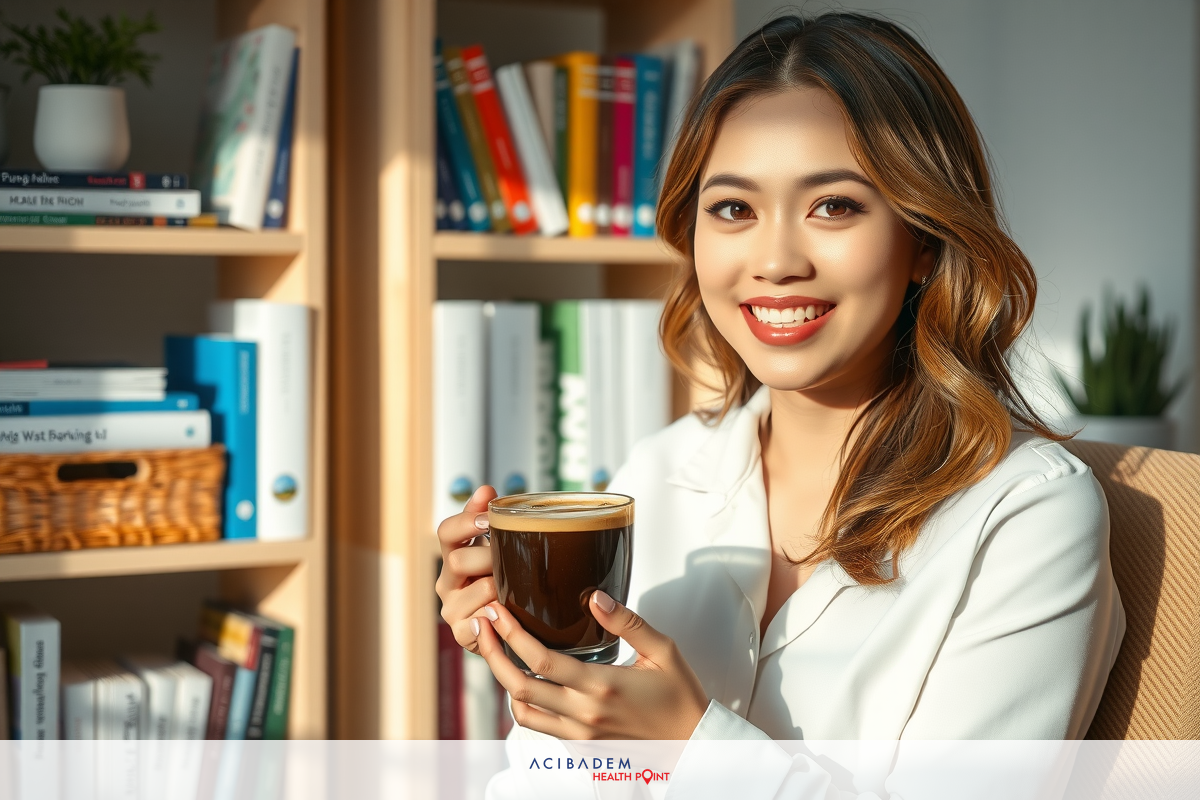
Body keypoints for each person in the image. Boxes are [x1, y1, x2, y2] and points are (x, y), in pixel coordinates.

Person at [435, 11, 1125, 797]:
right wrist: (539, 661)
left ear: (925, 242)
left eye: (834, 206)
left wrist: (692, 747)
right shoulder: (657, 472)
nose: (774, 261)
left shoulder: (1027, 514)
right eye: (733, 209)